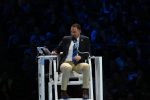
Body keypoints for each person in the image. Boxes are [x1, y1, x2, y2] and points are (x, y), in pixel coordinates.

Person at [52, 23, 91, 99]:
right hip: (66, 63)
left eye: (74, 32)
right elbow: (58, 49)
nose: (72, 34)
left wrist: (81, 57)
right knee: (68, 67)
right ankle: (63, 92)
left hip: (77, 64)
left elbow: (88, 53)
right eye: (71, 32)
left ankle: (85, 91)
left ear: (79, 31)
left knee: (86, 66)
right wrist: (54, 52)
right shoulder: (66, 39)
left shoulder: (85, 39)